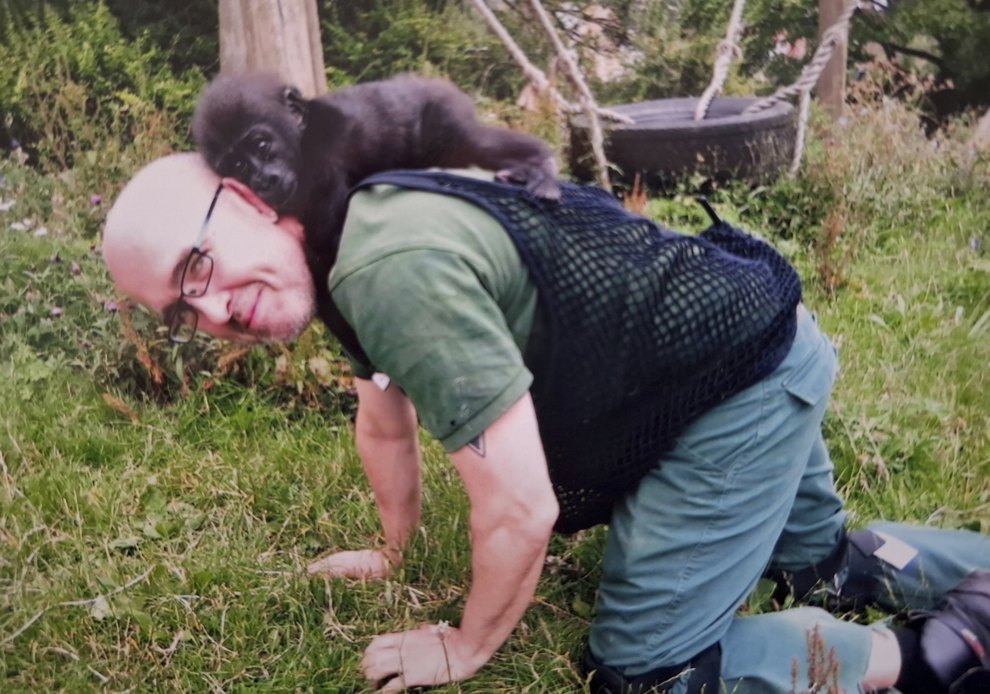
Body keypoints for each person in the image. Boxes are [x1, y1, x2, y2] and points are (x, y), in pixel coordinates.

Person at [103, 152, 990, 694]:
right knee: (826, 568)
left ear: (246, 196)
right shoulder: (343, 215)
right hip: (753, 340)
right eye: (182, 311)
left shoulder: (385, 266)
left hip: (732, 395)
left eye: (197, 267)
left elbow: (519, 508)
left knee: (653, 676)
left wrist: (468, 643)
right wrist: (396, 548)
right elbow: (384, 419)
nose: (214, 310)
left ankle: (928, 662)